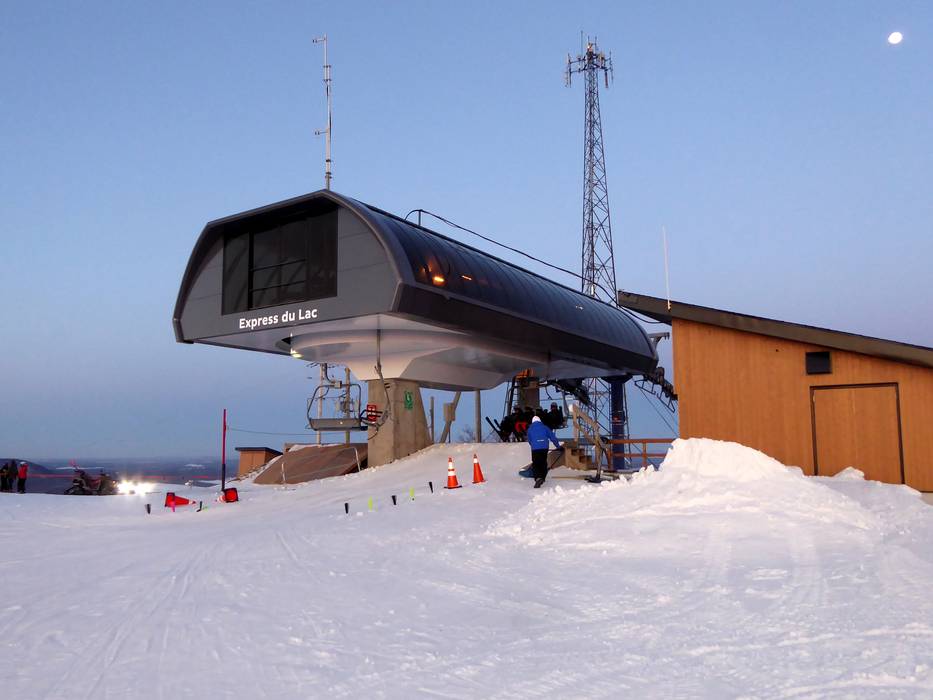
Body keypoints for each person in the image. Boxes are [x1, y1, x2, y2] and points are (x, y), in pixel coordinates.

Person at [526, 415, 562, 488]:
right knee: (543, 462)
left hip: (535, 449)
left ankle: (538, 478)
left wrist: (534, 445)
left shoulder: (530, 429)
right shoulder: (545, 427)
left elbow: (529, 440)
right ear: (540, 421)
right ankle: (542, 477)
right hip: (544, 448)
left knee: (536, 463)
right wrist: (558, 446)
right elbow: (553, 437)